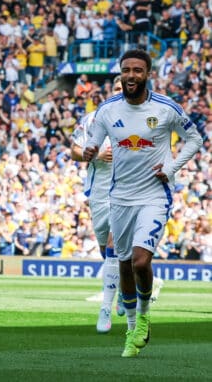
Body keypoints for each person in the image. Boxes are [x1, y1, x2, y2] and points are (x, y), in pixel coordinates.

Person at [83, 48, 202, 357]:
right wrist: (91, 150)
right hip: (119, 197)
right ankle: (132, 326)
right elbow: (93, 140)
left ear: (149, 74)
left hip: (154, 195)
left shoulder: (165, 108)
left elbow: (195, 139)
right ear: (120, 74)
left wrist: (172, 168)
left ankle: (145, 315)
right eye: (127, 70)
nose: (132, 75)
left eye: (138, 70)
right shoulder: (107, 109)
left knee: (140, 261)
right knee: (123, 263)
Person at [71, 76, 124, 334]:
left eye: (124, 86)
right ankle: (124, 287)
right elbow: (74, 150)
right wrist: (96, 155)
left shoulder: (141, 118)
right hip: (98, 192)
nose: (121, 90)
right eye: (116, 87)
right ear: (110, 91)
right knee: (106, 249)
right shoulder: (92, 120)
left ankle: (105, 307)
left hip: (127, 191)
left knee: (116, 243)